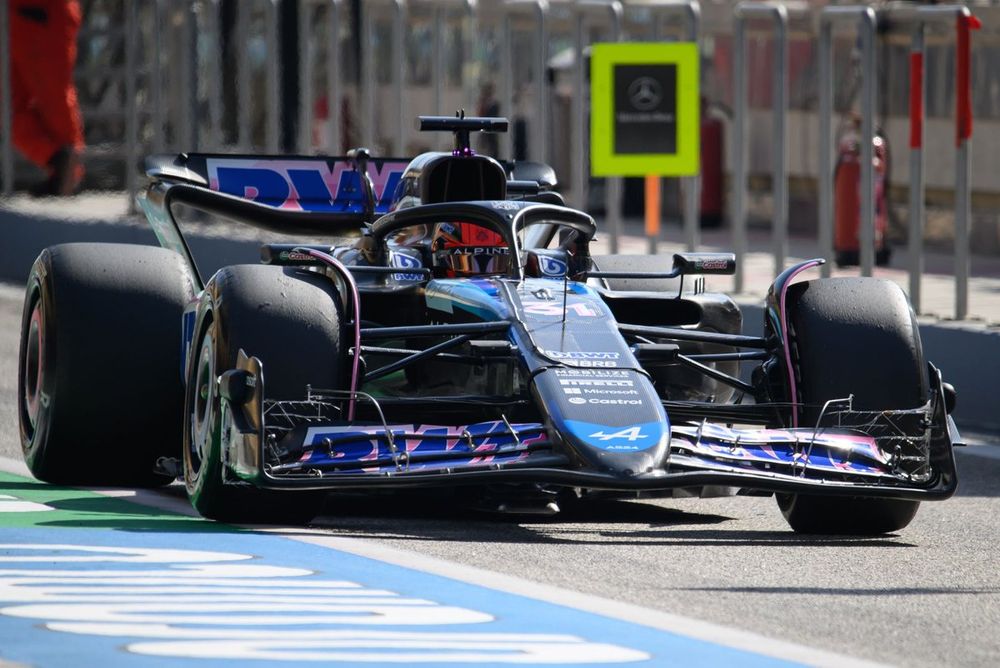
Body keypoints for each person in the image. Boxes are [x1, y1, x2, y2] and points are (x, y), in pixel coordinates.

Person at [9, 0, 85, 195]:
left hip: (43, 13)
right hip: (14, 16)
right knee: (8, 108)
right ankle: (58, 161)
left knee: (54, 97)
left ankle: (67, 172)